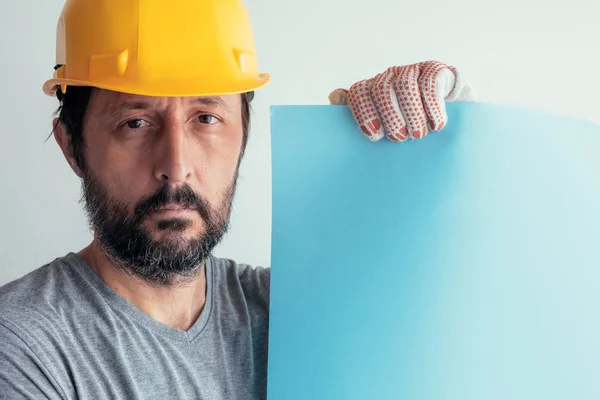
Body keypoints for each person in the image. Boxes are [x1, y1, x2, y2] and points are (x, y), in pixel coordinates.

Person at [0, 0, 475, 399]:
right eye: (135, 122)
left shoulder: (293, 310)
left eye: (206, 117)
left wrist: (453, 138)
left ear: (243, 137)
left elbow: (467, 326)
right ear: (72, 146)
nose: (177, 164)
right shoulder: (24, 344)